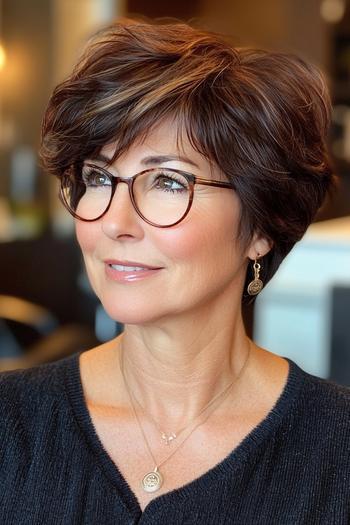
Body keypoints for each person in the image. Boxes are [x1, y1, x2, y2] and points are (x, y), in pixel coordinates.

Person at [1, 18, 349, 524]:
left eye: (167, 182)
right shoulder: (12, 427)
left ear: (261, 227)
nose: (116, 222)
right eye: (99, 177)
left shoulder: (336, 453)